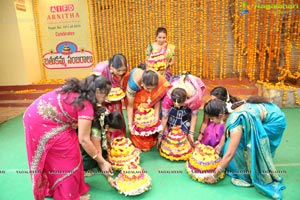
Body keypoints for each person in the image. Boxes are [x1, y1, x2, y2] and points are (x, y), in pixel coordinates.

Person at [23, 75, 115, 200]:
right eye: (105, 95)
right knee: (69, 157)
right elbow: (84, 140)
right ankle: (68, 196)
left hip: (43, 116)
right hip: (40, 122)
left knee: (74, 150)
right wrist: (102, 161)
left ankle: (62, 188)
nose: (106, 99)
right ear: (98, 91)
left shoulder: (82, 91)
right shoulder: (86, 106)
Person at [203, 98, 286, 199]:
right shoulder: (227, 110)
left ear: (220, 115)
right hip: (269, 111)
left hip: (274, 121)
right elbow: (225, 133)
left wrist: (214, 176)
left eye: (212, 118)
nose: (211, 121)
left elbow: (230, 154)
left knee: (241, 145)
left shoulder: (235, 120)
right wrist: (220, 146)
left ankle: (247, 177)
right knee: (233, 143)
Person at [125, 66, 171, 151]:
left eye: (152, 89)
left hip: (151, 81)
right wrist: (130, 124)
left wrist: (156, 117)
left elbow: (157, 97)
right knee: (138, 113)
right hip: (134, 95)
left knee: (149, 115)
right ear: (142, 83)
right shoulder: (133, 84)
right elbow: (130, 106)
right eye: (148, 88)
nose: (150, 91)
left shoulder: (157, 80)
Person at [158, 72, 205, 147]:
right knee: (168, 135)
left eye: (181, 105)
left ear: (186, 99)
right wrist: (160, 135)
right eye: (175, 104)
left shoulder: (194, 98)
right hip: (176, 93)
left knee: (183, 138)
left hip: (188, 98)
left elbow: (194, 115)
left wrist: (191, 133)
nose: (178, 107)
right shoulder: (168, 98)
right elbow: (165, 117)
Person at [91, 54, 128, 138]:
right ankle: (108, 137)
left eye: (123, 70)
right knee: (107, 115)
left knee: (118, 113)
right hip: (104, 97)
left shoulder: (125, 67)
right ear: (111, 66)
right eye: (118, 71)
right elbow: (95, 86)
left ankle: (120, 135)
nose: (121, 73)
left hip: (116, 98)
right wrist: (103, 97)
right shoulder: (101, 70)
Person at [82, 110, 124, 175]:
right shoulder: (96, 130)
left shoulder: (108, 117)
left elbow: (106, 134)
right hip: (84, 138)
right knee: (91, 160)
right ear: (107, 127)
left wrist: (110, 143)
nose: (115, 132)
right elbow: (98, 152)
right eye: (115, 130)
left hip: (98, 133)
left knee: (106, 153)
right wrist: (108, 176)